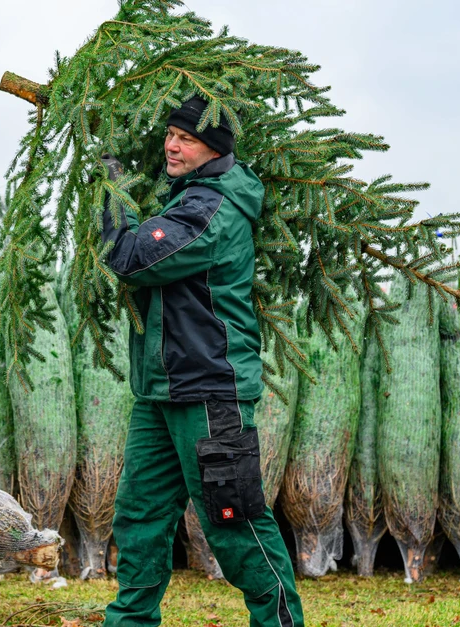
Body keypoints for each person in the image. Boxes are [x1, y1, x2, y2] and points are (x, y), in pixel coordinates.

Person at [99, 96, 305, 627]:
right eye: (169, 133)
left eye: (185, 138)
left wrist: (112, 181)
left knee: (233, 521)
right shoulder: (185, 198)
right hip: (160, 393)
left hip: (209, 391)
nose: (170, 144)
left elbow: (131, 258)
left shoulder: (209, 210)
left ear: (214, 148)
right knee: (140, 516)